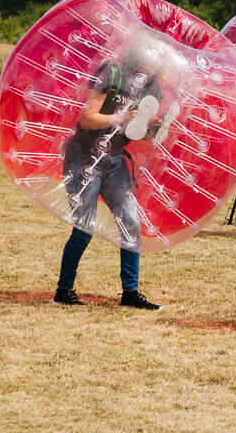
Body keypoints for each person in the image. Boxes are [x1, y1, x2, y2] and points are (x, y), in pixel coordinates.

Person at [53, 51, 166, 309]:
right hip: (86, 156)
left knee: (131, 222)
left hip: (115, 160)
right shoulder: (113, 72)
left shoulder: (152, 88)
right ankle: (64, 290)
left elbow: (135, 133)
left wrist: (151, 128)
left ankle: (130, 293)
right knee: (84, 227)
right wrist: (121, 117)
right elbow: (86, 118)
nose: (156, 64)